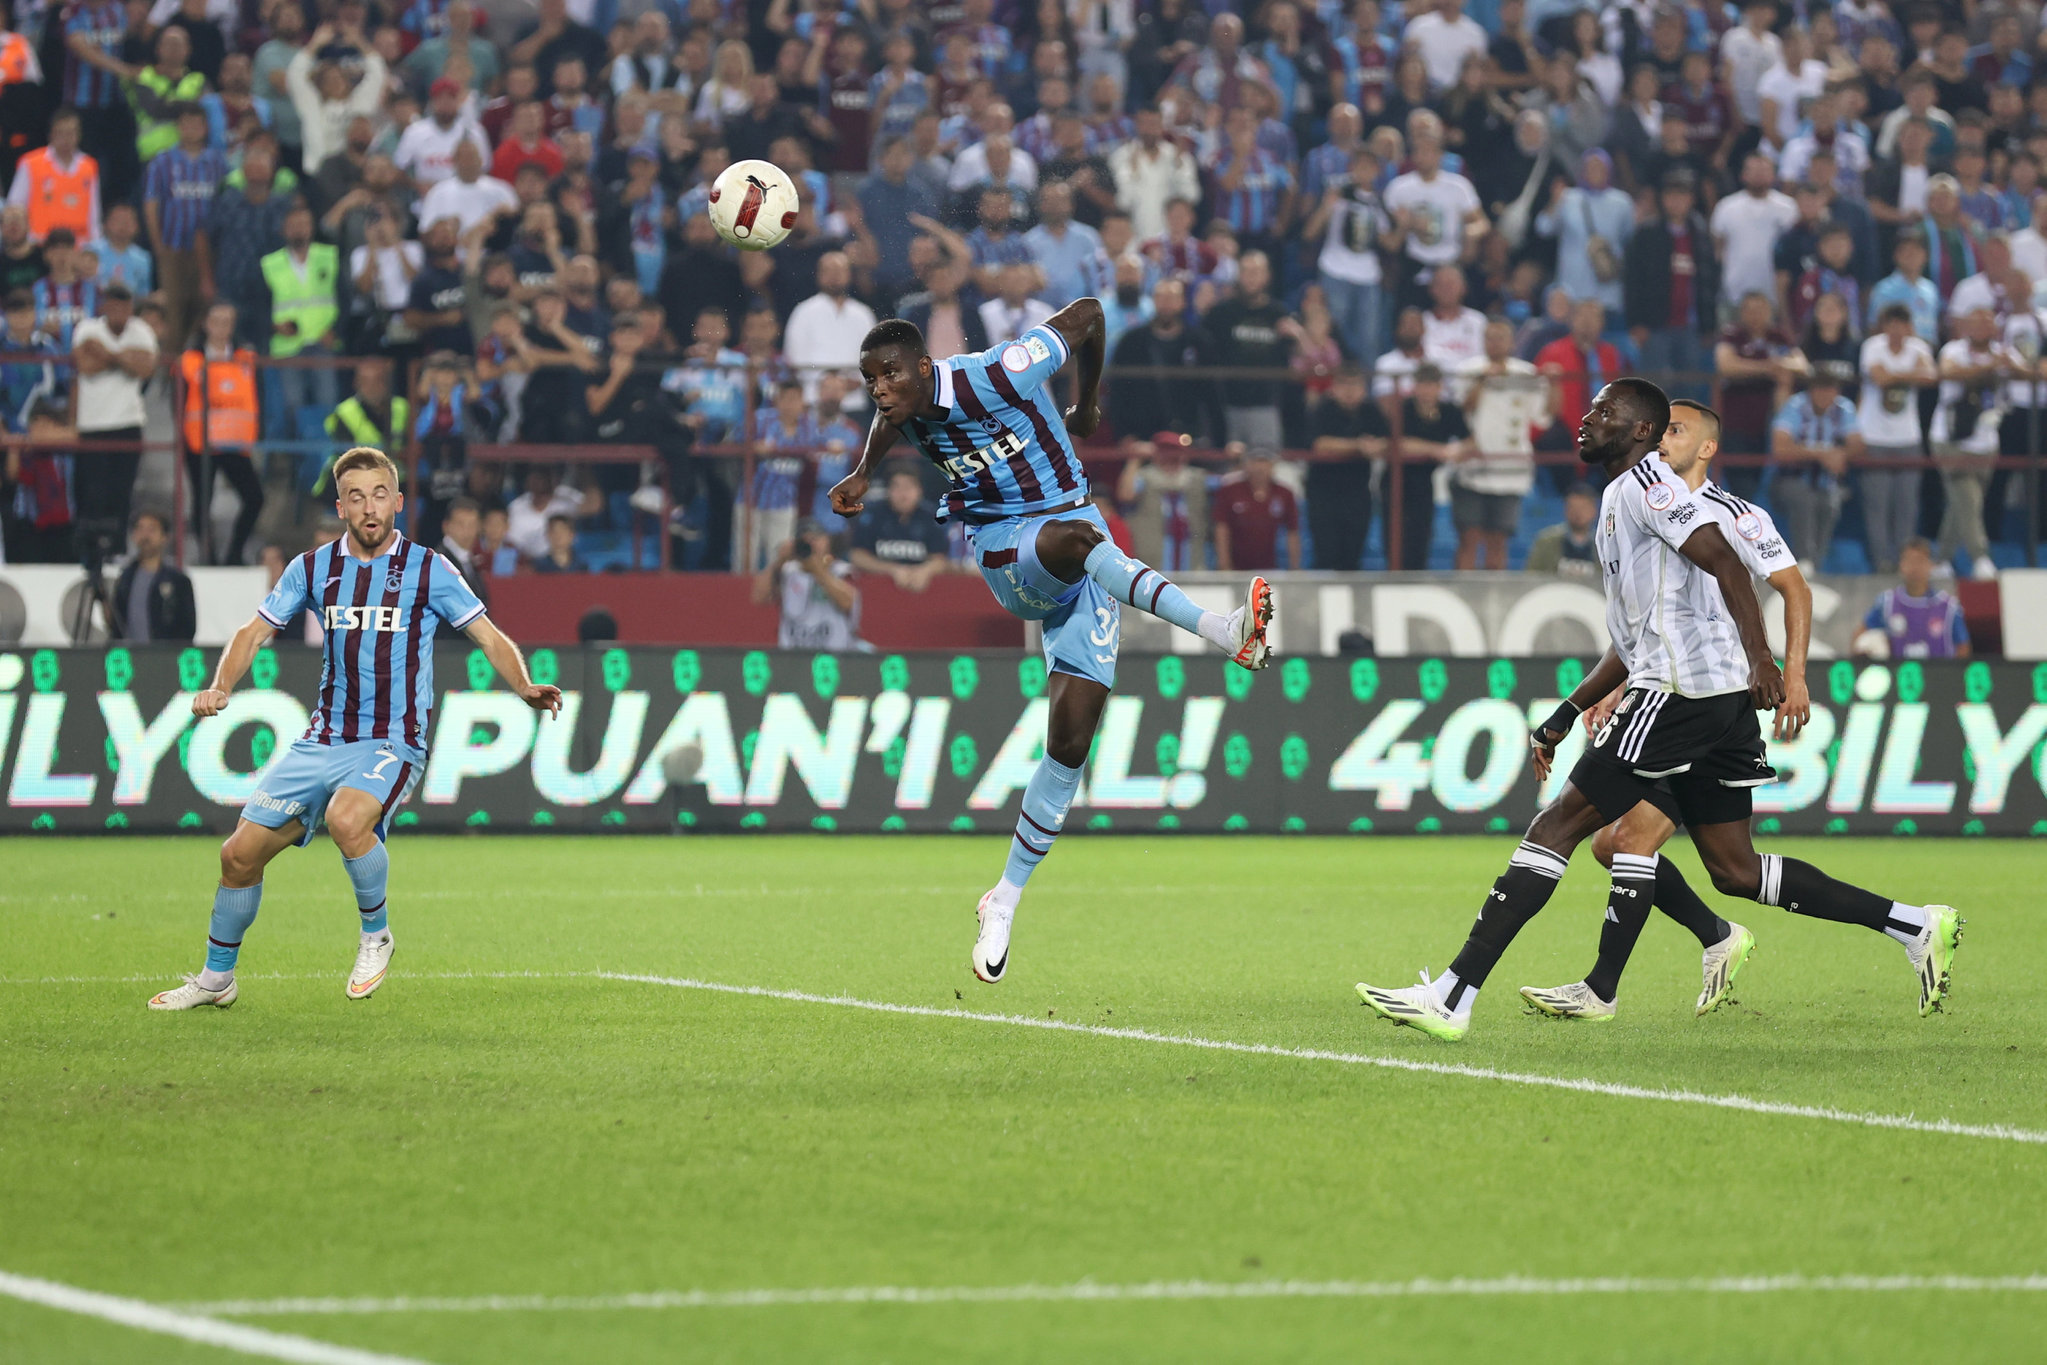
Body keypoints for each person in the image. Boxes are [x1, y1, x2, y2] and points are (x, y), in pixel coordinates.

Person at [1356, 377, 1959, 1041]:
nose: (1585, 420)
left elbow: (1729, 565)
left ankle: (1452, 994)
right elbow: (1633, 636)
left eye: (1603, 412)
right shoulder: (1626, 495)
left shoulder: (1648, 485)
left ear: (1642, 431)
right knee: (1734, 868)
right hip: (1714, 700)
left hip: (1677, 694)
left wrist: (1768, 661)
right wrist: (1566, 709)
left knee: (1557, 827)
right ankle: (1914, 924)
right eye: (1587, 408)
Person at [834, 303, 1273, 984]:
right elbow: (887, 421)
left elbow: (1091, 315)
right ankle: (1222, 630)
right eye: (869, 381)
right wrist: (863, 471)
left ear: (925, 367)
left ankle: (1003, 898)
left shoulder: (1000, 373)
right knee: (1080, 539)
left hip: (1081, 550)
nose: (880, 391)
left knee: (1068, 745)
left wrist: (1086, 400)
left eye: (889, 375)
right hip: (1009, 553)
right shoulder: (902, 405)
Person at [147, 446, 562, 1011]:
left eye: (379, 494)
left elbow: (488, 635)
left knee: (348, 819)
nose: (370, 506)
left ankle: (376, 935)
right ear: (341, 506)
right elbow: (251, 633)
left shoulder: (429, 568)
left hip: (394, 739)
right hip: (322, 740)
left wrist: (524, 685)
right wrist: (221, 685)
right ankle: (217, 980)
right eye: (356, 496)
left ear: (398, 500)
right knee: (237, 856)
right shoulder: (313, 568)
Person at [1520, 397, 1815, 1021]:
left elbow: (1790, 587)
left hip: (1711, 700)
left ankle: (1605, 986)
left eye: (1677, 431)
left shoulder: (1733, 515)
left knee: (1621, 839)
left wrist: (1788, 672)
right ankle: (1898, 923)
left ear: (1705, 447)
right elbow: (1647, 632)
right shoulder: (1637, 499)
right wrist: (1593, 699)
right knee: (1704, 863)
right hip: (1678, 694)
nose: (1664, 440)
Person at [1929, 306, 2013, 580]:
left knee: (1964, 504)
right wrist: (1992, 365)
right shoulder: (1954, 350)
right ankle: (1980, 557)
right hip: (1951, 436)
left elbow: (2029, 370)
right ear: (1966, 327)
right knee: (1966, 495)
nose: (1982, 328)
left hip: (1986, 439)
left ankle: (1941, 559)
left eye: (1987, 322)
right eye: (1975, 322)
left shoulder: (2003, 352)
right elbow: (1948, 372)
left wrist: (2015, 366)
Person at [1454, 319, 1544, 569]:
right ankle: (1464, 592)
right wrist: (1483, 381)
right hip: (1473, 466)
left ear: (1512, 342)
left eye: (1501, 337)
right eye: (1490, 337)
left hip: (1510, 467)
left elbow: (1542, 417)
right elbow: (1461, 410)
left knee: (1498, 540)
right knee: (1468, 538)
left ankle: (1494, 597)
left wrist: (1555, 385)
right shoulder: (1468, 370)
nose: (1495, 343)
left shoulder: (1526, 373)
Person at [69, 281, 157, 534]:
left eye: (124, 306)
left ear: (131, 307)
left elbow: (146, 369)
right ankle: (89, 554)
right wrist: (125, 357)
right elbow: (85, 366)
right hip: (91, 425)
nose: (119, 312)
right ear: (105, 306)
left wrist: (107, 354)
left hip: (128, 424)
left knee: (121, 494)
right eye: (114, 306)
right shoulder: (87, 328)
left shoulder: (142, 331)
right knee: (90, 495)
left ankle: (116, 549)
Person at [179, 299, 262, 564]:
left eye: (228, 322)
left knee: (255, 498)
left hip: (233, 442)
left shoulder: (246, 358)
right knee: (202, 503)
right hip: (199, 443)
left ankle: (234, 554)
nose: (222, 327)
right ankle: (209, 558)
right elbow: (179, 402)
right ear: (206, 324)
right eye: (217, 321)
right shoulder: (190, 359)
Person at [1858, 302, 1938, 573]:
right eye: (1891, 323)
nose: (1896, 329)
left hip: (1908, 439)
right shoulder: (1872, 346)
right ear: (1884, 326)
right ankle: (1881, 562)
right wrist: (1909, 374)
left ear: (1909, 327)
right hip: (1875, 438)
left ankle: (1904, 563)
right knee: (1877, 506)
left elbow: (1930, 376)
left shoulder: (1919, 347)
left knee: (1907, 507)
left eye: (1902, 324)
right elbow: (1879, 378)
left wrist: (1897, 374)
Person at [142, 102, 224, 354]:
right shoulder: (162, 162)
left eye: (197, 124)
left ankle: (195, 373)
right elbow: (151, 205)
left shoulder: (218, 163)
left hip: (211, 253)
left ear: (205, 128)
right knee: (173, 315)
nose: (191, 129)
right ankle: (169, 381)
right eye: (185, 124)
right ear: (178, 128)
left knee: (204, 314)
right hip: (173, 248)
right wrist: (159, 247)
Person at [1769, 361, 1861, 568]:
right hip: (1791, 479)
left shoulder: (1844, 408)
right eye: (1820, 387)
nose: (1825, 393)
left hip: (1829, 482)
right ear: (1812, 388)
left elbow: (1858, 444)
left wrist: (1840, 454)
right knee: (1803, 498)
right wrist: (1820, 454)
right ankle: (1803, 560)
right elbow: (1780, 447)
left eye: (1830, 388)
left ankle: (1814, 565)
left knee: (1830, 503)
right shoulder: (1795, 406)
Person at [1306, 364, 1389, 571]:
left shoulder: (1371, 411)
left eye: (1355, 385)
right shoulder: (1323, 409)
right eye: (1344, 385)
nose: (1350, 391)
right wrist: (1358, 446)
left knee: (1352, 554)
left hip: (1357, 491)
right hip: (1323, 492)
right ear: (1334, 388)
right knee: (1326, 553)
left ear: (1363, 388)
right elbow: (1320, 444)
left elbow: (1387, 440)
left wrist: (1376, 445)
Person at [751, 516, 859, 647]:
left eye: (815, 539)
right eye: (805, 540)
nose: (811, 544)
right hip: (793, 652)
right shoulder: (788, 571)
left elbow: (848, 602)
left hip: (831, 654)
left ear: (828, 541)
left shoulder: (841, 571)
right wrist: (779, 561)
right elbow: (759, 597)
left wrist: (817, 570)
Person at [1861, 538, 1971, 659]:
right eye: (1909, 561)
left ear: (1930, 565)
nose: (1915, 567)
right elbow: (1860, 635)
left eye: (1920, 561)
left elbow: (1963, 647)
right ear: (1901, 565)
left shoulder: (1949, 606)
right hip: (1898, 675)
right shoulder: (1886, 602)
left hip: (1938, 676)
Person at [850, 464, 953, 590]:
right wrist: (892, 570)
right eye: (897, 487)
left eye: (908, 488)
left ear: (919, 490)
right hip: (876, 590)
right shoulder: (873, 515)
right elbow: (857, 556)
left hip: (922, 593)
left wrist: (925, 571)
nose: (903, 494)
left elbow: (941, 560)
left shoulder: (932, 517)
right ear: (888, 490)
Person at [9, 107, 101, 245]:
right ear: (51, 135)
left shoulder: (89, 166)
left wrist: (95, 243)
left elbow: (94, 213)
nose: (66, 139)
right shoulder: (30, 163)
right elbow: (15, 206)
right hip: (39, 244)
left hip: (77, 247)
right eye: (60, 133)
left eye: (70, 133)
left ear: (79, 135)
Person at [109, 508, 195, 641]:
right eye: (140, 529)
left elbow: (188, 629)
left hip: (165, 658)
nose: (145, 536)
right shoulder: (126, 577)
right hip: (130, 658)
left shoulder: (178, 580)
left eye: (152, 530)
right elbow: (117, 625)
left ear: (164, 537)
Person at [1212, 445, 1300, 571]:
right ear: (1245, 465)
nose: (1260, 467)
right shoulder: (1230, 491)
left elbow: (1293, 531)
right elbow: (1221, 528)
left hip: (1272, 567)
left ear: (1273, 465)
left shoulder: (1284, 493)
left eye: (1264, 462)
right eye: (1255, 461)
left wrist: (1294, 568)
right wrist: (1224, 564)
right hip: (1237, 567)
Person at [1523, 480, 1599, 579]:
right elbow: (1530, 576)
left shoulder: (1603, 545)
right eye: (1573, 507)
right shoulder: (1545, 541)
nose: (1578, 513)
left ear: (1594, 511)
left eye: (1583, 508)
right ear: (1565, 509)